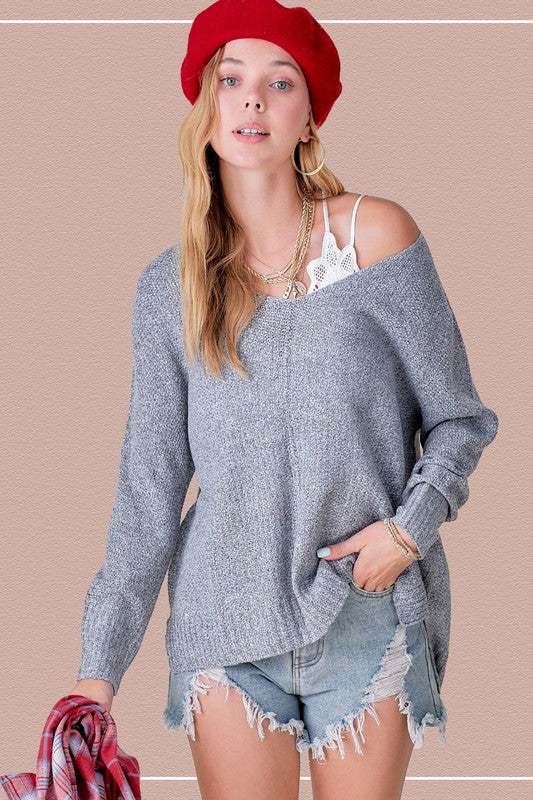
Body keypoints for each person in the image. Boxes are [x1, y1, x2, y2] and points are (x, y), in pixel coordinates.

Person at [70, 1, 499, 798]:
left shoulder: (376, 237)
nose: (252, 100)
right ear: (204, 109)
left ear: (309, 118)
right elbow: (148, 490)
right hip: (223, 624)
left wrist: (407, 533)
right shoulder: (169, 289)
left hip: (365, 611)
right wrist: (98, 670)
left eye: (279, 83)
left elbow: (459, 420)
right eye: (230, 79)